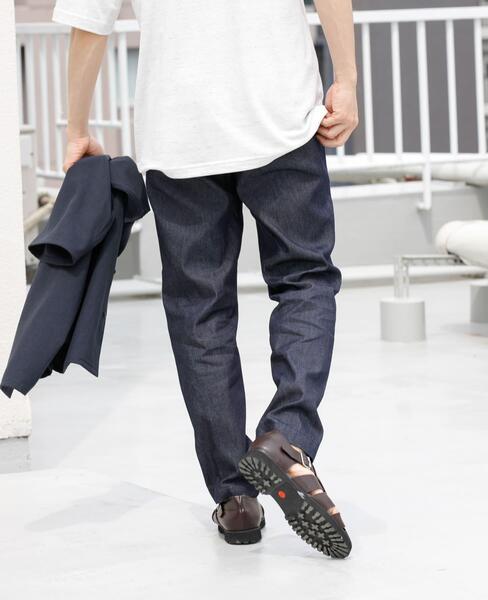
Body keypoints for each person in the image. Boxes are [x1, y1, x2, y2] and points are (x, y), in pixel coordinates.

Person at [53, 0, 358, 558]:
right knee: (305, 280)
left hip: (178, 131)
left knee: (200, 309)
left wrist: (76, 129)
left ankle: (235, 496)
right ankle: (287, 438)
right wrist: (348, 79)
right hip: (279, 114)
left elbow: (88, 23)